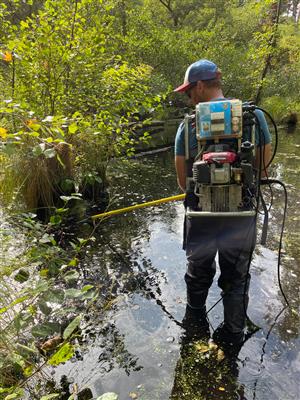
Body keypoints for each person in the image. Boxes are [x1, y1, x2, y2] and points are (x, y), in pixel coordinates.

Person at [174, 59, 272, 345]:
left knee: (198, 272)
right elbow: (263, 170)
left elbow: (183, 182)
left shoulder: (188, 125)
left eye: (189, 91)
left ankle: (194, 325)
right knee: (236, 277)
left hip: (200, 215)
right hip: (240, 215)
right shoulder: (253, 117)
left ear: (201, 86)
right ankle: (232, 335)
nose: (188, 97)